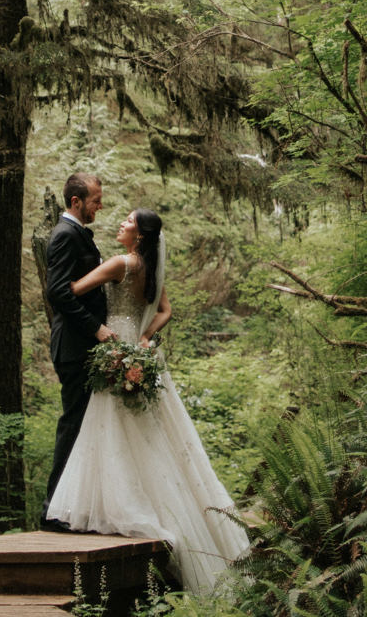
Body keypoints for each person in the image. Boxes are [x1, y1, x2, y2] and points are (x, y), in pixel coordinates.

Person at [44, 207, 251, 594]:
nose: (120, 224)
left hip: (112, 347)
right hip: (138, 352)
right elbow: (166, 310)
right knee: (154, 434)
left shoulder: (122, 263)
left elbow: (70, 291)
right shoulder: (152, 268)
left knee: (112, 429)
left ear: (138, 235)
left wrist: (107, 327)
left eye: (127, 222)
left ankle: (119, 506)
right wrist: (143, 337)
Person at [41, 171, 112, 530]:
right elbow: (58, 292)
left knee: (84, 426)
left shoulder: (78, 234)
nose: (100, 205)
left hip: (81, 346)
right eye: (96, 200)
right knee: (73, 425)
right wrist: (97, 329)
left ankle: (71, 507)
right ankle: (52, 509)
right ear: (76, 202)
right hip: (74, 346)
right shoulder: (66, 235)